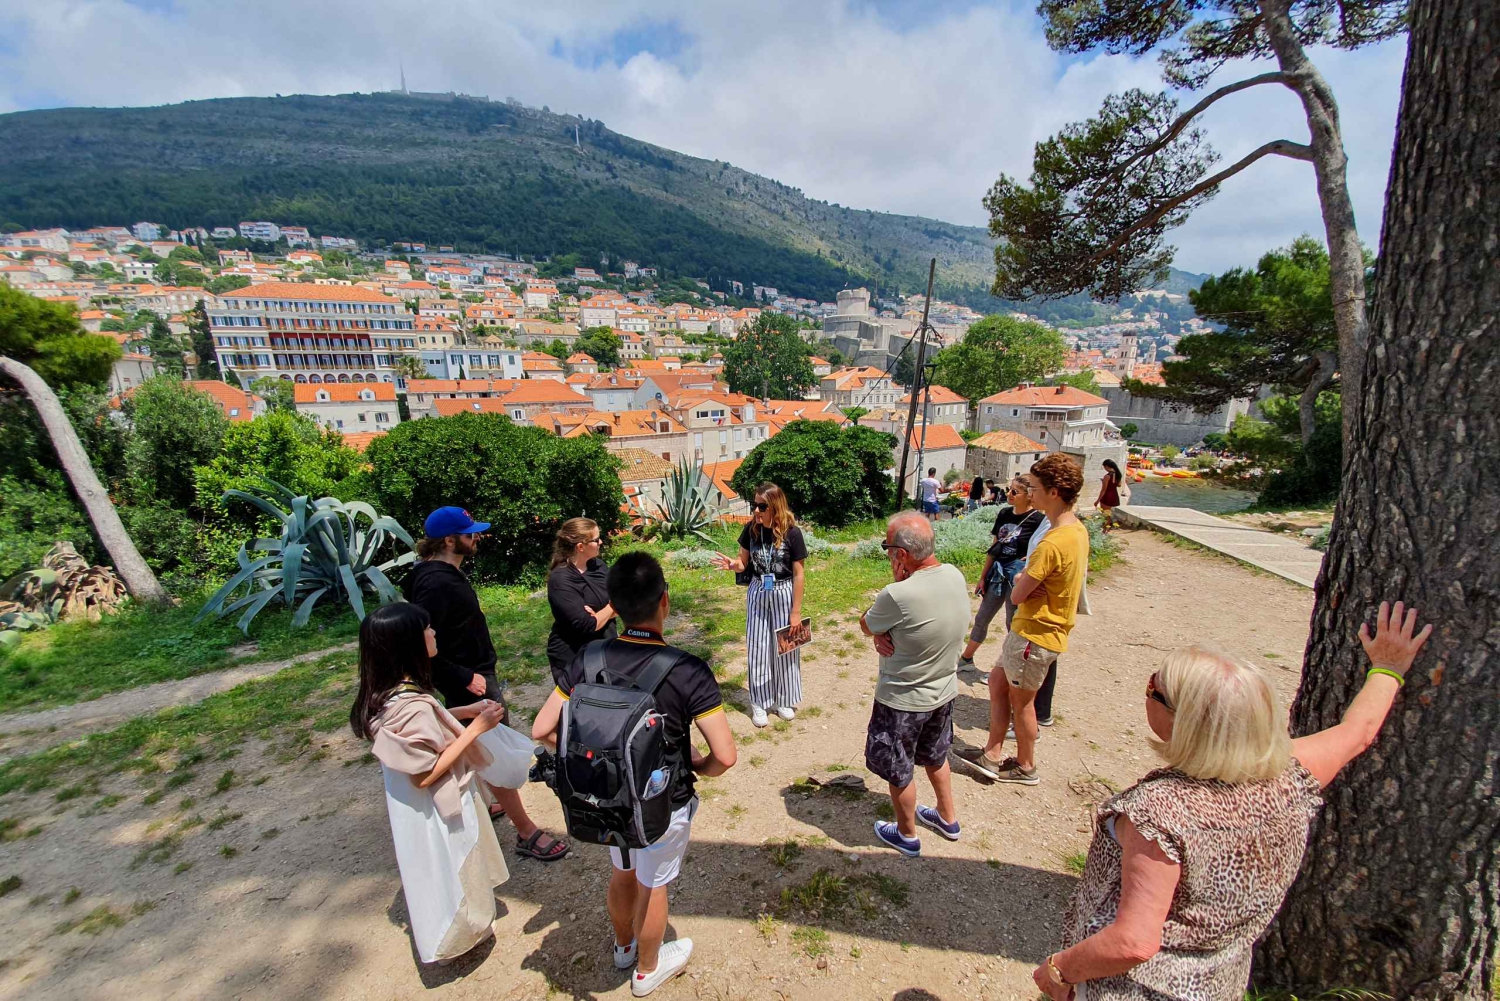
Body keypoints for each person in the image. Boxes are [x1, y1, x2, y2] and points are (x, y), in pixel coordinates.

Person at [1033, 601, 1433, 1001]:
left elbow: (1133, 942)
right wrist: (1388, 668)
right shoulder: (1292, 775)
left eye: (1153, 689)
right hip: (1219, 981)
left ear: (1183, 721)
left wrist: (1059, 970)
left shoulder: (1160, 811)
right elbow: (1358, 731)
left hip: (1132, 989)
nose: (1147, 690)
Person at [532, 552, 738, 997]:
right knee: (654, 883)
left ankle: (624, 946)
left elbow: (542, 728)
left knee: (623, 871)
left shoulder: (587, 657)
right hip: (663, 802)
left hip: (605, 798)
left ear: (614, 603)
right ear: (665, 600)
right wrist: (699, 766)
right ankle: (647, 970)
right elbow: (725, 756)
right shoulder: (688, 670)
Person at [404, 506, 570, 862]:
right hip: (471, 680)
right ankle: (527, 833)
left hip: (472, 674)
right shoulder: (435, 583)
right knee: (491, 752)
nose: (476, 537)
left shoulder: (437, 573)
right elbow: (422, 644)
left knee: (469, 744)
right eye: (469, 533)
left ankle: (487, 802)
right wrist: (464, 677)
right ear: (449, 540)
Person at [350, 603, 511, 966]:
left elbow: (423, 736)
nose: (434, 633)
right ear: (408, 643)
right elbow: (425, 771)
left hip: (411, 807)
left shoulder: (389, 695)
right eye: (426, 629)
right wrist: (477, 729)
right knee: (453, 863)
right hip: (437, 807)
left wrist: (460, 713)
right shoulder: (413, 705)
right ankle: (463, 933)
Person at [958, 453, 1088, 786]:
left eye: (1037, 487)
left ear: (1054, 492)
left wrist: (1020, 580)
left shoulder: (1052, 541)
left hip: (1035, 632)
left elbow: (1018, 594)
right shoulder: (1076, 530)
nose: (1032, 492)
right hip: (1034, 630)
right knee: (998, 683)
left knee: (1023, 704)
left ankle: (1025, 766)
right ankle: (992, 752)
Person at [859, 512, 969, 857]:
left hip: (904, 699)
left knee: (899, 767)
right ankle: (947, 817)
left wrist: (881, 629)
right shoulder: (954, 574)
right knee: (936, 756)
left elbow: (866, 623)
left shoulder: (897, 594)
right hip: (944, 691)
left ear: (901, 555)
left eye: (888, 548)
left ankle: (906, 834)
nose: (888, 555)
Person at [709, 483, 807, 728]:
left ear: (775, 506)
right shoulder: (750, 531)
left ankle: (784, 699)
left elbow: (799, 574)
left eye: (762, 506)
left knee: (786, 648)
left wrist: (795, 612)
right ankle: (760, 703)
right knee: (758, 648)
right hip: (757, 592)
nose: (756, 510)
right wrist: (733, 565)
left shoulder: (792, 534)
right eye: (755, 505)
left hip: (784, 591)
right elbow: (743, 564)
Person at [957, 475, 1046, 677]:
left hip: (1018, 577)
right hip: (997, 572)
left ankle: (1009, 666)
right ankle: (966, 659)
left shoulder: (1038, 521)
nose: (1009, 494)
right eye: (1009, 489)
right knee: (982, 617)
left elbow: (1039, 551)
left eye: (1015, 491)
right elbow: (994, 548)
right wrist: (983, 576)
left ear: (1029, 496)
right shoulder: (1004, 513)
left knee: (1012, 622)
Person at [546, 517, 616, 686]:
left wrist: (600, 615)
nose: (600, 542)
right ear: (580, 546)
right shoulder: (561, 579)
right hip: (574, 656)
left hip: (605, 648)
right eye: (596, 539)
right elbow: (587, 625)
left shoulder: (598, 566)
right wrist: (612, 607)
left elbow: (623, 598)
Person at [1096, 459, 1124, 532]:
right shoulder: (1118, 474)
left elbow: (1103, 490)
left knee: (1105, 515)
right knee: (1109, 514)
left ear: (1107, 466)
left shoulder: (1107, 476)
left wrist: (1097, 500)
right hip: (1114, 496)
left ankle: (1105, 530)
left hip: (1107, 496)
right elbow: (1119, 485)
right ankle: (1107, 529)